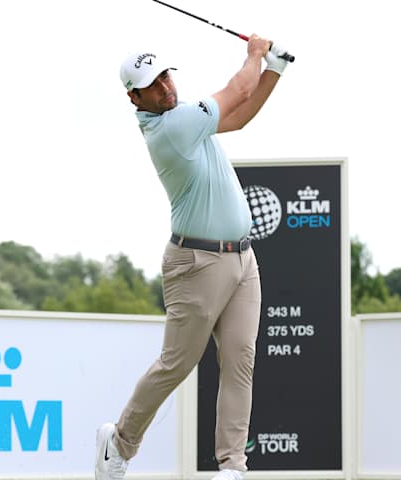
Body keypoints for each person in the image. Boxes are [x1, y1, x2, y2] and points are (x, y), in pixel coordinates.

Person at [95, 36, 290, 480]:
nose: (165, 86)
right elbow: (237, 92)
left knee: (241, 359)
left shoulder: (188, 119)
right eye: (152, 83)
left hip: (243, 261)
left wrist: (274, 70)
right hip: (195, 264)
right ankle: (119, 443)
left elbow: (239, 117)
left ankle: (231, 467)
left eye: (165, 75)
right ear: (135, 97)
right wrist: (256, 54)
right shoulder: (171, 127)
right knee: (177, 363)